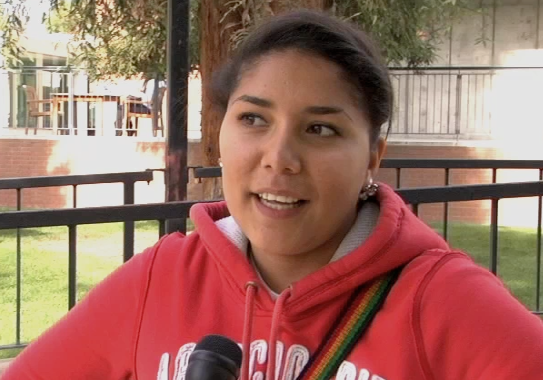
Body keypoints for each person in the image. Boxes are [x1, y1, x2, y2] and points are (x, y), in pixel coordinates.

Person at [4, 10, 543, 380]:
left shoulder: (440, 298)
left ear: (374, 155)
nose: (279, 157)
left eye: (321, 129)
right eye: (254, 119)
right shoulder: (162, 278)